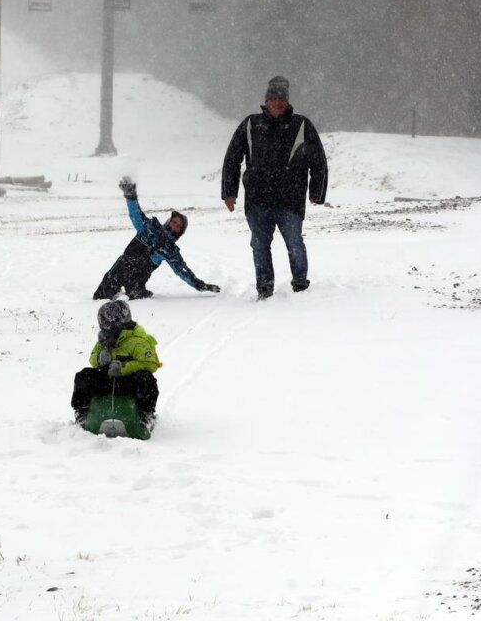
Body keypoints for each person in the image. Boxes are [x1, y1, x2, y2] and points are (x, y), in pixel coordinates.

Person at [221, 75, 329, 299]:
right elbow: (232, 158)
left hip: (290, 200)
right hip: (257, 200)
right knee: (259, 246)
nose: (277, 102)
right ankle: (264, 288)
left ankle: (300, 286)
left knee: (294, 243)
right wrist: (229, 192)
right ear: (266, 101)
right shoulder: (251, 124)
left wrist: (317, 191)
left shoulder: (301, 124)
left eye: (281, 98)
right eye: (273, 98)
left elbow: (318, 160)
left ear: (287, 101)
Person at [92, 177, 221, 300]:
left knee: (134, 298)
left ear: (180, 231)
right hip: (121, 267)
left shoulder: (171, 250)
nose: (174, 226)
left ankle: (140, 293)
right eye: (174, 222)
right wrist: (131, 196)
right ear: (169, 221)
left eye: (178, 226)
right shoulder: (149, 228)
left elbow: (182, 271)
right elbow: (135, 214)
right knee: (100, 296)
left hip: (137, 279)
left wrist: (200, 285)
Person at [72, 300, 161, 426]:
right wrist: (99, 358)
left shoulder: (137, 341)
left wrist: (124, 368)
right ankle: (82, 411)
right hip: (108, 380)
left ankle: (146, 414)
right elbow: (92, 357)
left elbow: (150, 364)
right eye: (104, 322)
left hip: (129, 383)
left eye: (110, 323)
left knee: (146, 379)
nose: (107, 326)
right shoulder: (104, 340)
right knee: (84, 375)